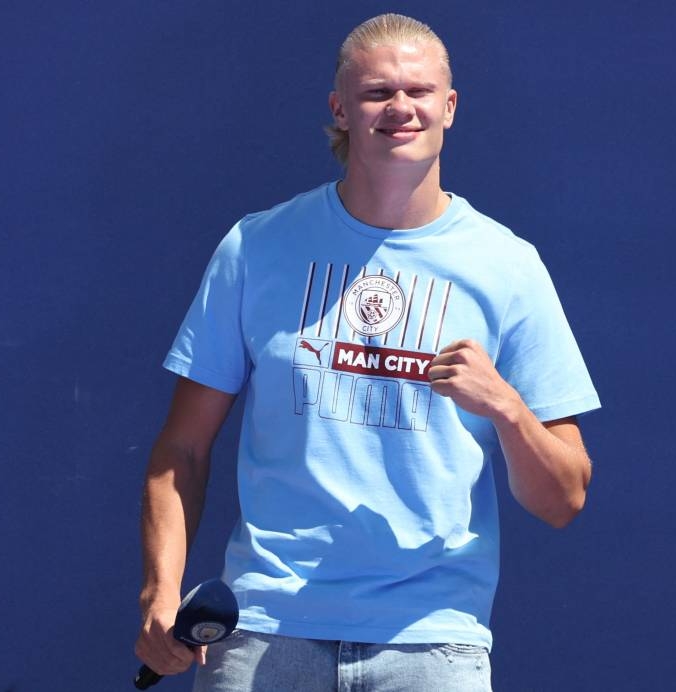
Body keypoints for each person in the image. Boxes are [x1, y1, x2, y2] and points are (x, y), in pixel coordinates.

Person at [135, 13, 600, 691]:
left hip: (433, 643)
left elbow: (564, 498)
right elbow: (182, 450)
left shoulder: (509, 267)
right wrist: (160, 588)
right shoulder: (258, 247)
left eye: (419, 91)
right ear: (340, 110)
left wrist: (506, 407)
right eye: (378, 92)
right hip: (266, 631)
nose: (400, 107)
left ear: (449, 106)